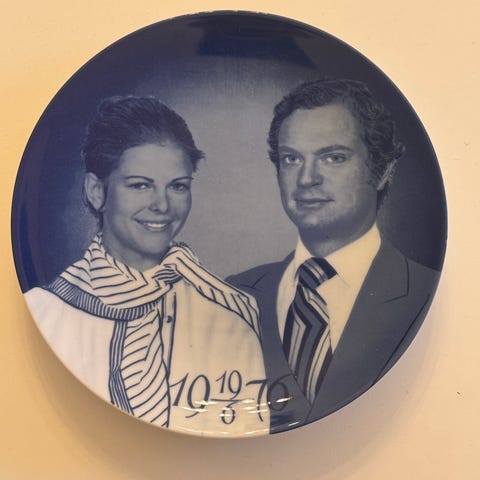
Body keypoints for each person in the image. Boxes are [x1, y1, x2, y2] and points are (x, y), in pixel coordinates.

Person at [25, 96, 268, 436]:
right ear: (96, 191)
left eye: (178, 186)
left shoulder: (229, 318)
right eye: (140, 185)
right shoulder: (42, 312)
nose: (162, 205)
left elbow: (243, 446)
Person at [227, 78, 441, 433]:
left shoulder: (426, 293)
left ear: (382, 170)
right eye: (292, 159)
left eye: (333, 157)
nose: (306, 178)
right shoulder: (230, 297)